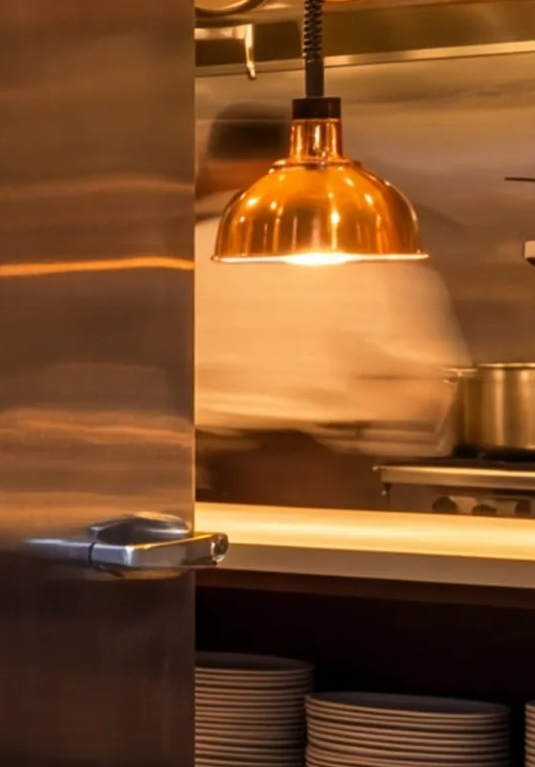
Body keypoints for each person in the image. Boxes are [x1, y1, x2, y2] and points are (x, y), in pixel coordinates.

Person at [195, 110, 464, 507]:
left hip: (196, 475)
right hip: (311, 475)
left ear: (215, 168)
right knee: (320, 568)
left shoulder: (188, 251)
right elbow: (430, 381)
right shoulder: (366, 252)